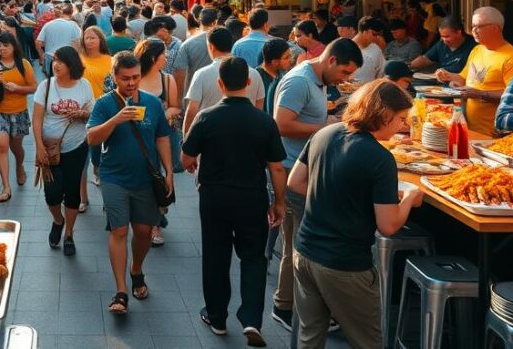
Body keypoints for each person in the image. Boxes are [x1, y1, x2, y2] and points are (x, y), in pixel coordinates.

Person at [289, 79, 423, 348]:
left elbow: (296, 182)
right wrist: (409, 198)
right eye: (400, 119)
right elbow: (388, 225)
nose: (402, 126)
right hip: (344, 264)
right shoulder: (379, 158)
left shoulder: (325, 133)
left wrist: (336, 196)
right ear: (383, 114)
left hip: (304, 253)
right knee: (367, 342)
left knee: (309, 337)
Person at [182, 57, 287, 345]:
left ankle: (217, 317)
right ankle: (252, 318)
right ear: (250, 83)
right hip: (252, 196)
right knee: (254, 256)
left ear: (220, 84)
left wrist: (194, 164)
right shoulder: (264, 121)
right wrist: (279, 201)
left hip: (214, 196)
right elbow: (276, 166)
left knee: (216, 256)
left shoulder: (207, 117)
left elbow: (186, 157)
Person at [269, 38, 364, 332]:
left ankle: (289, 305)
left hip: (305, 170)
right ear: (331, 60)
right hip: (291, 172)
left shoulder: (318, 80)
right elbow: (281, 124)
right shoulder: (300, 81)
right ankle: (287, 307)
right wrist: (326, 127)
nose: (345, 80)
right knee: (298, 245)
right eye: (345, 73)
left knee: (297, 244)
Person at [87, 51, 174, 316]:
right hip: (113, 177)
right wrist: (117, 118)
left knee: (144, 232)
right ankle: (121, 290)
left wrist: (169, 170)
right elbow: (91, 138)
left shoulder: (152, 103)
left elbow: (161, 137)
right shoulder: (104, 104)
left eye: (135, 77)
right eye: (125, 78)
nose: (132, 83)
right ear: (114, 78)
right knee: (119, 231)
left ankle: (136, 269)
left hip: (145, 178)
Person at [33, 46, 95, 256]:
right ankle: (57, 221)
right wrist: (39, 146)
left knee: (72, 191)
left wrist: (82, 114)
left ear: (72, 64)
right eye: (54, 61)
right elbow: (37, 118)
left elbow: (91, 113)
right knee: (51, 194)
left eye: (61, 61)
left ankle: (69, 233)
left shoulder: (84, 85)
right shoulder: (46, 85)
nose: (55, 65)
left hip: (77, 146)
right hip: (50, 149)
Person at [436, 6, 513, 135]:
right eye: (472, 26)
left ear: (495, 28)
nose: (473, 31)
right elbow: (464, 79)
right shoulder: (477, 50)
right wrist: (448, 77)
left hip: (494, 134)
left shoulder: (512, 58)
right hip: (471, 129)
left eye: (478, 26)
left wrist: (480, 94)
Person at [136, 39, 183, 241]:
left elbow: (175, 107)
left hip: (161, 137)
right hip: (137, 137)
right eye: (164, 54)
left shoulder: (167, 79)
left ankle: (155, 224)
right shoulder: (134, 77)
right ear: (153, 58)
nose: (167, 57)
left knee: (159, 177)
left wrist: (158, 116)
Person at [0, 33, 37, 203]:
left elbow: (33, 87)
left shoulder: (23, 64)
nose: (2, 48)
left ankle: (19, 166)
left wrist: (17, 88)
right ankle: (6, 187)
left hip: (18, 112)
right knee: (2, 146)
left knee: (16, 147)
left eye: (6, 45)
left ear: (14, 46)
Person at [183, 27, 266, 135]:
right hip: (246, 136)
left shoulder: (202, 74)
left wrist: (186, 138)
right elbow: (259, 108)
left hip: (210, 136)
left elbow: (192, 111)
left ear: (211, 47)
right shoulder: (254, 73)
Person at [80, 26, 116, 208]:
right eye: (87, 38)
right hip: (81, 112)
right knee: (80, 157)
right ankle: (82, 198)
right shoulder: (78, 60)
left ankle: (98, 170)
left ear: (101, 40)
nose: (90, 41)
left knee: (99, 152)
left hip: (104, 111)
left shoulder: (110, 61)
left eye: (93, 38)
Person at [174, 7, 219, 100]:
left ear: (199, 21)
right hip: (218, 93)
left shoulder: (187, 43)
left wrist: (178, 100)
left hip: (193, 94)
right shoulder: (225, 40)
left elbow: (180, 74)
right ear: (215, 22)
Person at [409, 17, 477, 74]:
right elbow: (425, 59)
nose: (444, 40)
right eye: (442, 36)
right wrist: (408, 66)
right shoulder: (441, 44)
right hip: (440, 82)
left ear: (458, 32)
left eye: (447, 36)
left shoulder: (474, 46)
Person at [36, 3, 81, 76]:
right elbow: (77, 43)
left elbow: (38, 42)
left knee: (50, 81)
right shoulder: (73, 25)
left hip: (50, 58)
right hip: (66, 57)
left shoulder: (48, 25)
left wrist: (41, 55)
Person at [351, 17, 386, 82]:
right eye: (375, 34)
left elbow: (382, 73)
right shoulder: (346, 48)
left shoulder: (376, 49)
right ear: (365, 32)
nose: (377, 37)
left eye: (379, 34)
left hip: (370, 90)